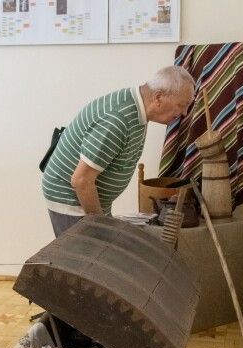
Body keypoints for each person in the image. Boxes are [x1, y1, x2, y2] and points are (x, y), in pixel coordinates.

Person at [42, 65, 195, 236]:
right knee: (88, 257)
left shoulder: (138, 109)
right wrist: (101, 226)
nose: (184, 113)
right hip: (70, 197)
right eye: (182, 105)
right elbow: (81, 180)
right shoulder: (118, 120)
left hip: (88, 197)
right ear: (158, 97)